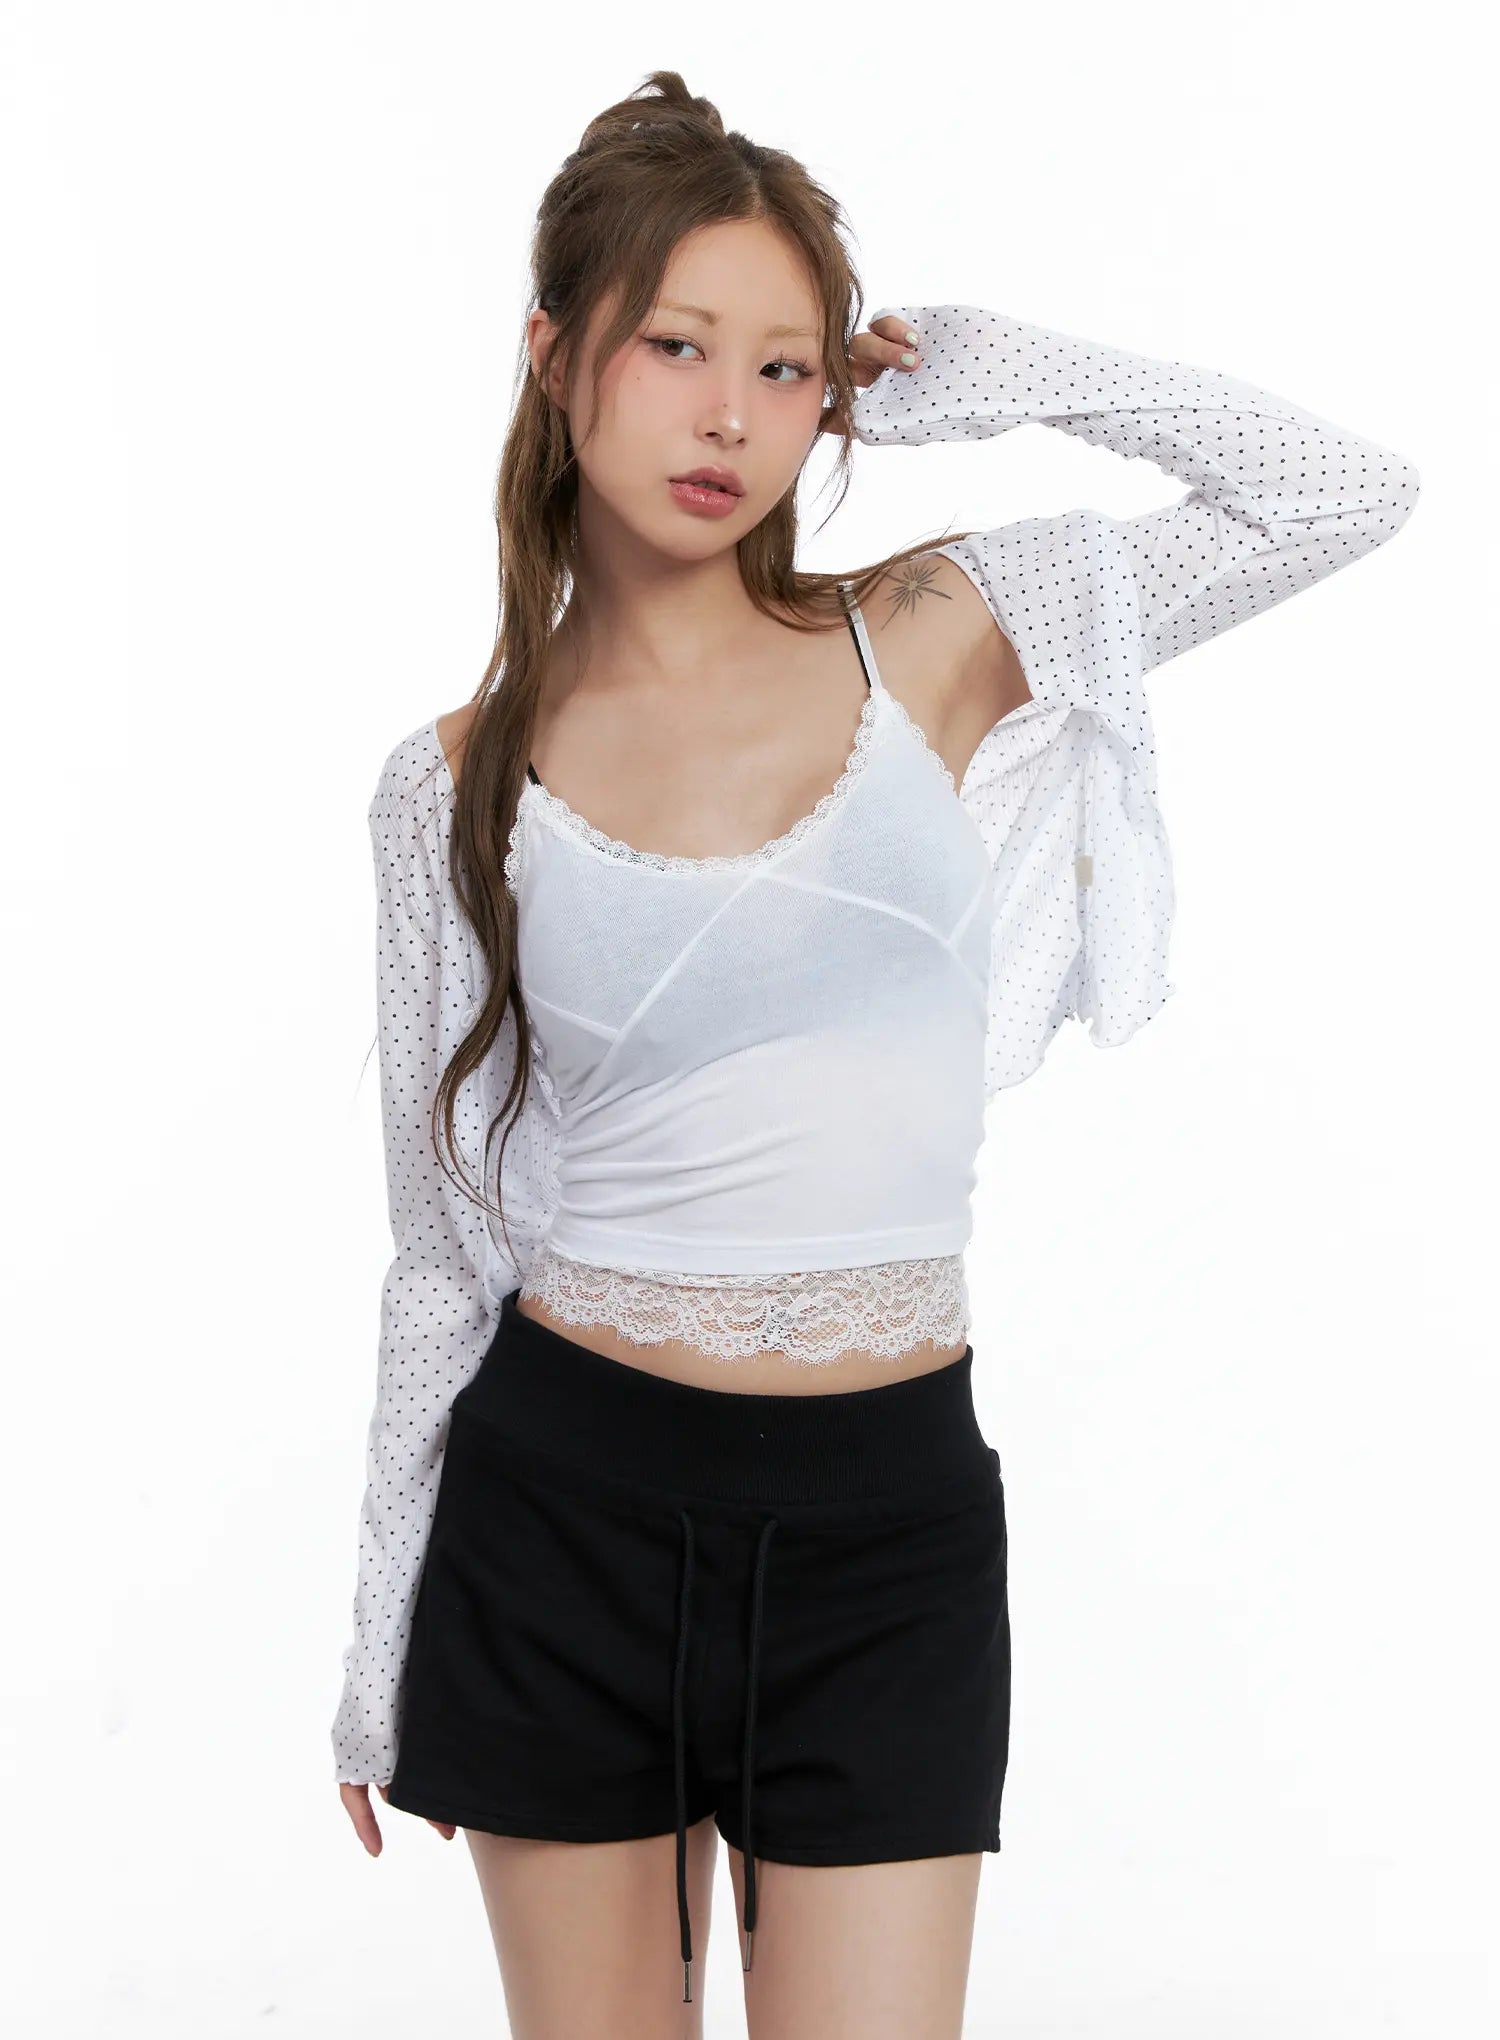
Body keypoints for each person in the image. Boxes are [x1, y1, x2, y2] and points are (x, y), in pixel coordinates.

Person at [331, 67, 1420, 2040]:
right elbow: (438, 1251)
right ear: (553, 357)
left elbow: (1339, 493)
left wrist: (1013, 374)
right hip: (559, 1522)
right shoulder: (450, 785)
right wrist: (372, 1653)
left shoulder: (939, 625)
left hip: (888, 1532)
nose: (731, 417)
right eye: (677, 346)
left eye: (785, 367)